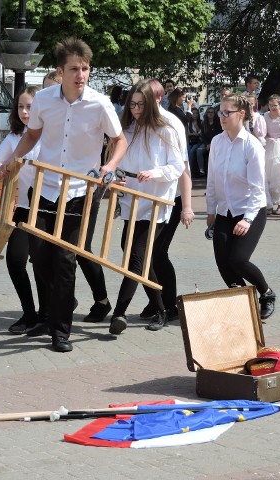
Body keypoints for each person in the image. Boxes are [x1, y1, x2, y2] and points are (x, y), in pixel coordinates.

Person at [5, 37, 129, 353]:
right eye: (74, 69)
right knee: (40, 255)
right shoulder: (44, 100)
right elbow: (32, 134)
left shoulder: (100, 104)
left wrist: (110, 166)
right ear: (61, 71)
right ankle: (62, 300)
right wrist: (15, 158)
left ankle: (60, 331)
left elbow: (120, 140)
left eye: (85, 68)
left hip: (80, 191)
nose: (81, 75)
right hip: (45, 188)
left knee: (65, 258)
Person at [108, 80, 185, 335]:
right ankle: (161, 307)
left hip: (155, 203)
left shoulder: (166, 130)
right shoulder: (126, 130)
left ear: (151, 104)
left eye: (141, 105)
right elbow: (116, 162)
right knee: (136, 256)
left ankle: (119, 313)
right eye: (133, 104)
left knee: (136, 259)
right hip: (132, 200)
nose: (136, 109)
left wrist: (154, 173)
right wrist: (116, 177)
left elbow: (177, 167)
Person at [206, 93, 276, 320]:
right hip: (224, 211)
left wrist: (247, 219)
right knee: (223, 264)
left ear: (241, 114)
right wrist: (210, 210)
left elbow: (257, 190)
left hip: (250, 210)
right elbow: (212, 180)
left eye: (227, 113)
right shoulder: (217, 142)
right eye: (220, 112)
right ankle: (243, 305)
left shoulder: (251, 146)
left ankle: (266, 293)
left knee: (238, 260)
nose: (222, 117)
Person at [0, 86, 45, 334]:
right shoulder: (15, 137)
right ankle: (29, 313)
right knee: (15, 260)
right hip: (25, 208)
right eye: (20, 106)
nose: (25, 112)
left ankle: (50, 312)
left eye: (29, 106)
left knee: (45, 265)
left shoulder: (52, 135)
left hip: (50, 209)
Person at [137, 78, 194, 325]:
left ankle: (168, 304)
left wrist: (188, 206)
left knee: (157, 251)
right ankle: (156, 299)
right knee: (146, 252)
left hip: (172, 198)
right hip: (150, 197)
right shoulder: (142, 121)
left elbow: (182, 167)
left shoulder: (171, 124)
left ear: (158, 98)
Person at [263, 94, 280, 214]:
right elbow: (263, 131)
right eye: (271, 105)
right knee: (268, 174)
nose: (273, 107)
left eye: (275, 105)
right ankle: (269, 203)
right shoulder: (265, 116)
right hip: (269, 145)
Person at [187, 107, 206, 176]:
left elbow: (202, 134)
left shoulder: (201, 122)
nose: (195, 115)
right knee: (188, 150)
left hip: (199, 141)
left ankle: (190, 171)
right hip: (191, 141)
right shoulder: (189, 123)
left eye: (196, 113)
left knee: (192, 151)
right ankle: (187, 170)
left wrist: (197, 127)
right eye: (193, 113)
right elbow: (187, 133)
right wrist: (192, 134)